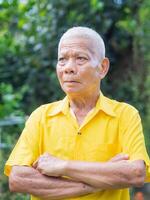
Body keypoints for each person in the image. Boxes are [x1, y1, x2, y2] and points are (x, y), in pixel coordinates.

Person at [4, 26, 150, 200]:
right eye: (62, 60)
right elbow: (18, 179)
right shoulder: (41, 116)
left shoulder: (125, 114)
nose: (68, 68)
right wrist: (101, 179)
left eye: (80, 58)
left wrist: (62, 167)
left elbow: (135, 173)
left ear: (103, 67)